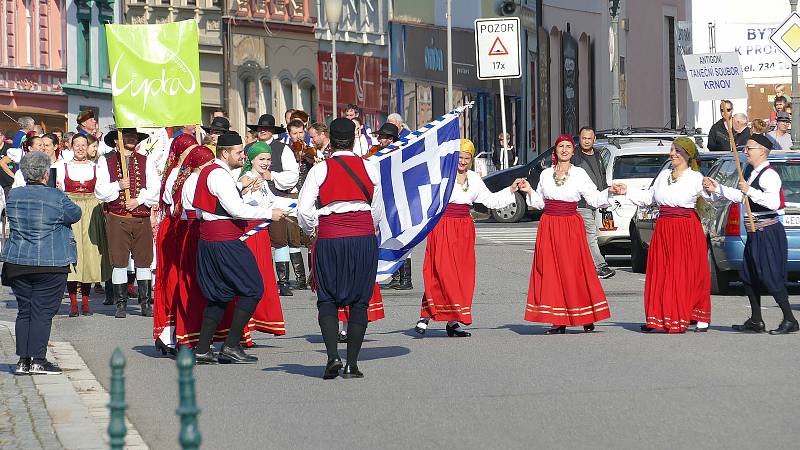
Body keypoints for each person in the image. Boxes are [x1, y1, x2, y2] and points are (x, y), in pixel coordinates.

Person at [191, 132, 286, 364]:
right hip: (224, 241)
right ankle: (231, 346)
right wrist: (269, 214)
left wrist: (240, 189)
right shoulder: (219, 175)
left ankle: (203, 349)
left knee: (219, 295)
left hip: (211, 241)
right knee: (253, 288)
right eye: (239, 152)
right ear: (225, 152)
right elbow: (236, 210)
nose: (243, 156)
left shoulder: (211, 172)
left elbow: (220, 205)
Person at [297, 118, 382, 379]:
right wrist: (367, 227)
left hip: (331, 237)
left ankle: (332, 355)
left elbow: (303, 209)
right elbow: (377, 209)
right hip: (362, 237)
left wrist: (313, 229)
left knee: (327, 297)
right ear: (354, 140)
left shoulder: (319, 170)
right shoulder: (370, 167)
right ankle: (352, 364)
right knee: (359, 301)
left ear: (330, 140)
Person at [415, 139, 521, 337]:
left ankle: (453, 322)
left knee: (460, 275)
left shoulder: (473, 178)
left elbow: (489, 200)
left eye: (466, 158)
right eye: (460, 157)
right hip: (443, 226)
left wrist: (511, 190)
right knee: (440, 272)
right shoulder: (443, 175)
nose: (462, 161)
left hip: (464, 228)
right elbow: (426, 196)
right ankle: (426, 315)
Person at [517, 135, 616, 334]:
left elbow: (594, 198)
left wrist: (610, 191)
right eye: (560, 146)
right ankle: (558, 320)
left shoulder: (579, 173)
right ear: (555, 150)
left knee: (576, 271)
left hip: (571, 225)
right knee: (553, 272)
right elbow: (540, 203)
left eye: (568, 147)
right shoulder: (546, 174)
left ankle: (586, 315)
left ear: (573, 151)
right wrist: (528, 191)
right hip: (550, 225)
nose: (564, 150)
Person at [703, 134, 798, 334]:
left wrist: (749, 191)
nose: (746, 151)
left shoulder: (769, 175)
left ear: (762, 151)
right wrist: (718, 188)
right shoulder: (754, 173)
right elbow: (742, 197)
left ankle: (790, 319)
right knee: (748, 275)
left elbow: (773, 203)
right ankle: (756, 320)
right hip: (754, 231)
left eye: (749, 148)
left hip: (767, 231)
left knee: (770, 275)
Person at [619, 137, 712, 333]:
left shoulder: (695, 178)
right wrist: (626, 191)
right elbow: (648, 198)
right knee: (661, 272)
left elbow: (713, 195)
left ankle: (697, 314)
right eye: (672, 150)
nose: (673, 154)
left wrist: (731, 191)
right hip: (664, 229)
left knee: (688, 273)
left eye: (677, 150)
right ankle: (659, 317)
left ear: (687, 154)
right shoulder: (663, 176)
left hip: (686, 229)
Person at [1, 151, 81, 375]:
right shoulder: (56, 196)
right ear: (46, 174)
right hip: (50, 261)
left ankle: (22, 361)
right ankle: (38, 360)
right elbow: (75, 214)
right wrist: (61, 194)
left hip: (18, 261)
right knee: (43, 312)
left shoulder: (14, 195)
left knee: (25, 311)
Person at [95, 128, 160, 318]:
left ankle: (145, 303)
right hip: (117, 217)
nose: (131, 139)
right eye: (126, 136)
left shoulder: (146, 161)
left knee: (144, 262)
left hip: (140, 218)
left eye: (134, 136)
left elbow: (155, 189)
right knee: (119, 262)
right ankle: (121, 303)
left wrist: (138, 200)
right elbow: (100, 190)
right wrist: (118, 185)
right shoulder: (105, 161)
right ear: (116, 141)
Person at [152, 134, 200, 354]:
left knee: (185, 283)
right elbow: (175, 205)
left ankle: (177, 333)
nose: (194, 153)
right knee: (174, 283)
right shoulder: (176, 175)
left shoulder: (190, 173)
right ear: (181, 152)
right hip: (175, 231)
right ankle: (169, 334)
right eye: (191, 149)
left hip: (183, 228)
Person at [245, 114, 298, 296]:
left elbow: (293, 175)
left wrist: (272, 176)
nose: (263, 131)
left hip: (275, 199)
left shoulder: (283, 149)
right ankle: (259, 279)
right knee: (256, 241)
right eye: (260, 128)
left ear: (273, 131)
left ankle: (283, 282)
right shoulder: (248, 149)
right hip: (252, 203)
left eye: (267, 128)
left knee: (279, 240)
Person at [238, 142, 287, 337]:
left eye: (268, 159)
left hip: (261, 233)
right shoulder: (246, 178)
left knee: (262, 280)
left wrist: (297, 204)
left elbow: (273, 201)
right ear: (251, 159)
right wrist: (247, 189)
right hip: (248, 233)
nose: (266, 163)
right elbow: (239, 204)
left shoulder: (262, 180)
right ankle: (242, 331)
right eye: (261, 159)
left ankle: (252, 325)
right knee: (248, 280)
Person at [60, 134, 111, 317]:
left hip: (92, 211)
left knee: (89, 255)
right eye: (77, 145)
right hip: (71, 209)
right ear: (71, 146)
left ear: (88, 147)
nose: (81, 148)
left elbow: (104, 190)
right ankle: (73, 302)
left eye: (83, 145)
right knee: (73, 254)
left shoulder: (97, 167)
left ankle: (86, 302)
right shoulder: (62, 166)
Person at [572, 126, 614, 279]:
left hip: (596, 201)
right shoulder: (574, 156)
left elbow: (601, 176)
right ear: (579, 138)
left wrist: (605, 198)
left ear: (594, 139)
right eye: (584, 138)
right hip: (581, 203)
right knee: (591, 235)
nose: (586, 141)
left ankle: (580, 267)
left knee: (582, 237)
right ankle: (600, 266)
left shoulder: (597, 154)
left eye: (589, 138)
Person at [286, 118, 316, 290]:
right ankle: (299, 277)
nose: (297, 136)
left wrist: (306, 155)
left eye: (300, 133)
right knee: (293, 238)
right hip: (291, 195)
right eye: (294, 133)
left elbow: (314, 163)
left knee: (312, 237)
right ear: (289, 134)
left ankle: (313, 275)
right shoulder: (286, 150)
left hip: (309, 196)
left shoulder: (310, 150)